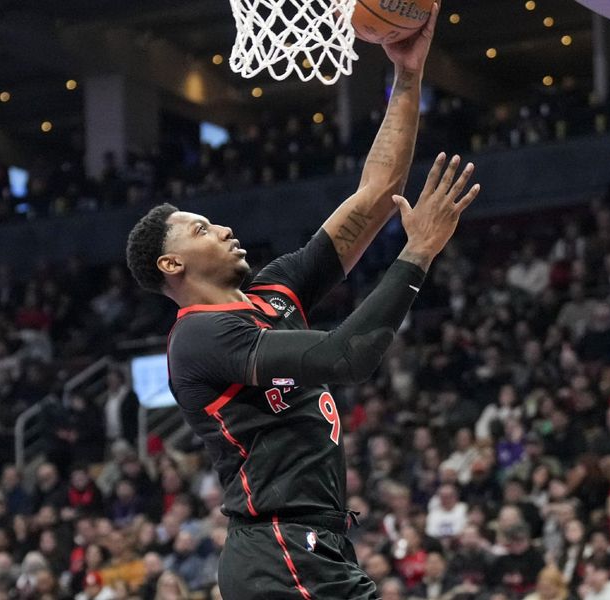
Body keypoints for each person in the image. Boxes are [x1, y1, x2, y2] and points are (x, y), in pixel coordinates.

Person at [125, 4, 481, 597]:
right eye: (202, 229)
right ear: (172, 264)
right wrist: (416, 255)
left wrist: (407, 74)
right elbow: (348, 355)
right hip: (280, 553)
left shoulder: (273, 291)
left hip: (313, 548)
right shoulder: (201, 336)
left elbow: (377, 194)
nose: (222, 229)